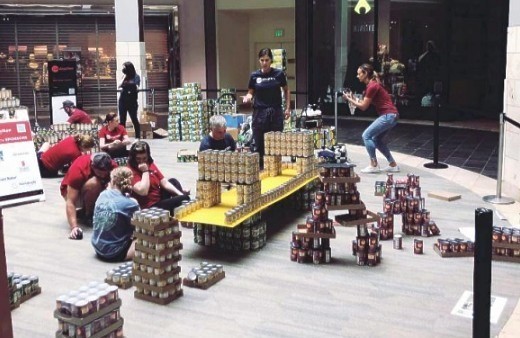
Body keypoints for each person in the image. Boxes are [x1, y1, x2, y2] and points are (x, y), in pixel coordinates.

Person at [342, 63, 400, 174]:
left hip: (388, 115)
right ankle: (393, 165)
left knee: (366, 135)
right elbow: (363, 102)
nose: (357, 76)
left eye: (359, 74)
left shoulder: (372, 86)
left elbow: (363, 107)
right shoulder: (371, 86)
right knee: (377, 140)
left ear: (366, 74)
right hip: (392, 115)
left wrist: (349, 100)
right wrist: (352, 98)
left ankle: (374, 164)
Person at [242, 48, 291, 167]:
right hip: (260, 113)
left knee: (275, 142)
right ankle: (260, 169)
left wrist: (288, 108)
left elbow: (286, 90)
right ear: (259, 61)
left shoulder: (278, 74)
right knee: (259, 142)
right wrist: (247, 97)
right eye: (262, 60)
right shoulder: (254, 75)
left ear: (271, 61)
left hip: (275, 112)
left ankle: (275, 167)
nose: (264, 63)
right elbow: (250, 92)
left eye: (267, 60)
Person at [60, 152, 117, 240]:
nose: (103, 175)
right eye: (100, 173)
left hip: (98, 188)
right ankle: (88, 214)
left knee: (114, 185)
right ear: (93, 167)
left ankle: (86, 211)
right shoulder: (78, 169)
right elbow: (70, 201)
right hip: (73, 193)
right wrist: (74, 227)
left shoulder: (113, 166)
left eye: (105, 173)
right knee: (95, 183)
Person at [92, 167, 139, 262]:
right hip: (115, 253)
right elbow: (139, 226)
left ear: (112, 181)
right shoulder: (131, 203)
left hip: (98, 248)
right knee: (149, 232)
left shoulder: (102, 195)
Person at [127, 141, 190, 213]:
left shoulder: (149, 163)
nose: (142, 161)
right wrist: (145, 171)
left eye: (144, 158)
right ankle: (177, 209)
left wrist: (180, 194)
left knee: (173, 182)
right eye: (138, 159)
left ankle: (177, 207)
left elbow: (164, 182)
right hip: (150, 207)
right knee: (185, 199)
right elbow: (143, 191)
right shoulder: (130, 171)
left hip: (159, 199)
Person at [118, 61, 141, 139]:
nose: (123, 69)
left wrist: (131, 86)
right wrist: (124, 76)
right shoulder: (124, 76)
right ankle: (122, 137)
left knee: (134, 118)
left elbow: (137, 87)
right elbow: (119, 85)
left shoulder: (136, 76)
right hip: (123, 100)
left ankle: (137, 137)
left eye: (124, 68)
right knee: (122, 120)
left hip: (132, 101)